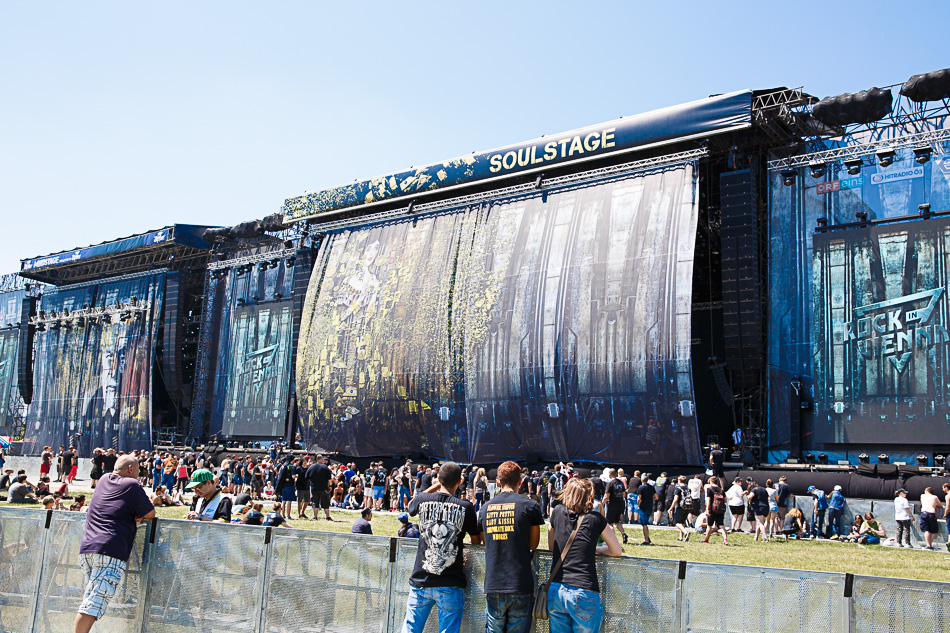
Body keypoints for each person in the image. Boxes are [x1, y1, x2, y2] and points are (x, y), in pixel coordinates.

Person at [74, 454, 155, 633]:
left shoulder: (103, 479)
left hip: (88, 547)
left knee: (91, 597)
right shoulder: (132, 484)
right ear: (131, 469)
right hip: (110, 550)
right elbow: (150, 513)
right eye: (138, 470)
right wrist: (139, 514)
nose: (139, 474)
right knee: (92, 604)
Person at [401, 461, 482, 633]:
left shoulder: (422, 499)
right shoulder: (466, 507)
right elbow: (476, 540)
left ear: (438, 478)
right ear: (460, 481)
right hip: (450, 580)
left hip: (422, 578)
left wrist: (437, 485)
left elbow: (411, 505)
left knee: (410, 629)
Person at [546, 477, 622, 633]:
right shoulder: (595, 519)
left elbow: (552, 546)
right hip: (584, 589)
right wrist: (597, 549)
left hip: (556, 589)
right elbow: (616, 550)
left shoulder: (557, 512)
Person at [478, 461, 543, 633]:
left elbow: (485, 542)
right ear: (520, 481)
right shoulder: (530, 506)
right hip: (520, 581)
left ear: (498, 482)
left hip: (494, 582)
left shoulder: (485, 508)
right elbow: (533, 544)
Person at [602, 468, 628, 545]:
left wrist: (602, 504)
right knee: (617, 521)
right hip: (620, 504)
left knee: (610, 523)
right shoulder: (620, 482)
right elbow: (624, 494)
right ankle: (623, 534)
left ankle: (612, 540)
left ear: (609, 474)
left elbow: (606, 496)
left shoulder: (610, 483)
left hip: (612, 504)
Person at [306, 455, 334, 521]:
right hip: (323, 487)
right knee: (325, 502)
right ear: (321, 459)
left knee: (315, 502)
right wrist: (330, 486)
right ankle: (327, 516)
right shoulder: (325, 467)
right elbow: (329, 479)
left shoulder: (311, 467)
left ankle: (315, 516)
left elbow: (307, 477)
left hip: (314, 487)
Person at [703, 476, 729, 545]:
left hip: (712, 509)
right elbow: (725, 500)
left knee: (709, 525)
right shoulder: (721, 490)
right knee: (721, 525)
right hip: (720, 509)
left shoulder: (709, 489)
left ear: (711, 482)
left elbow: (708, 500)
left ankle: (706, 539)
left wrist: (707, 509)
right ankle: (725, 540)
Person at [668, 475, 692, 541]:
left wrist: (671, 508)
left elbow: (675, 499)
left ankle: (686, 533)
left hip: (680, 507)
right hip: (687, 506)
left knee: (677, 523)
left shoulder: (678, 489)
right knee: (682, 522)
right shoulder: (688, 488)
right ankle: (681, 537)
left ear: (679, 481)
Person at [636, 473, 657, 545]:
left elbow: (639, 498)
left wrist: (638, 505)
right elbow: (656, 497)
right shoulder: (651, 487)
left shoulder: (641, 487)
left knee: (644, 524)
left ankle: (646, 540)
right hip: (649, 506)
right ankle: (647, 537)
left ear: (642, 480)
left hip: (643, 507)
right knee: (646, 522)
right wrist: (650, 498)